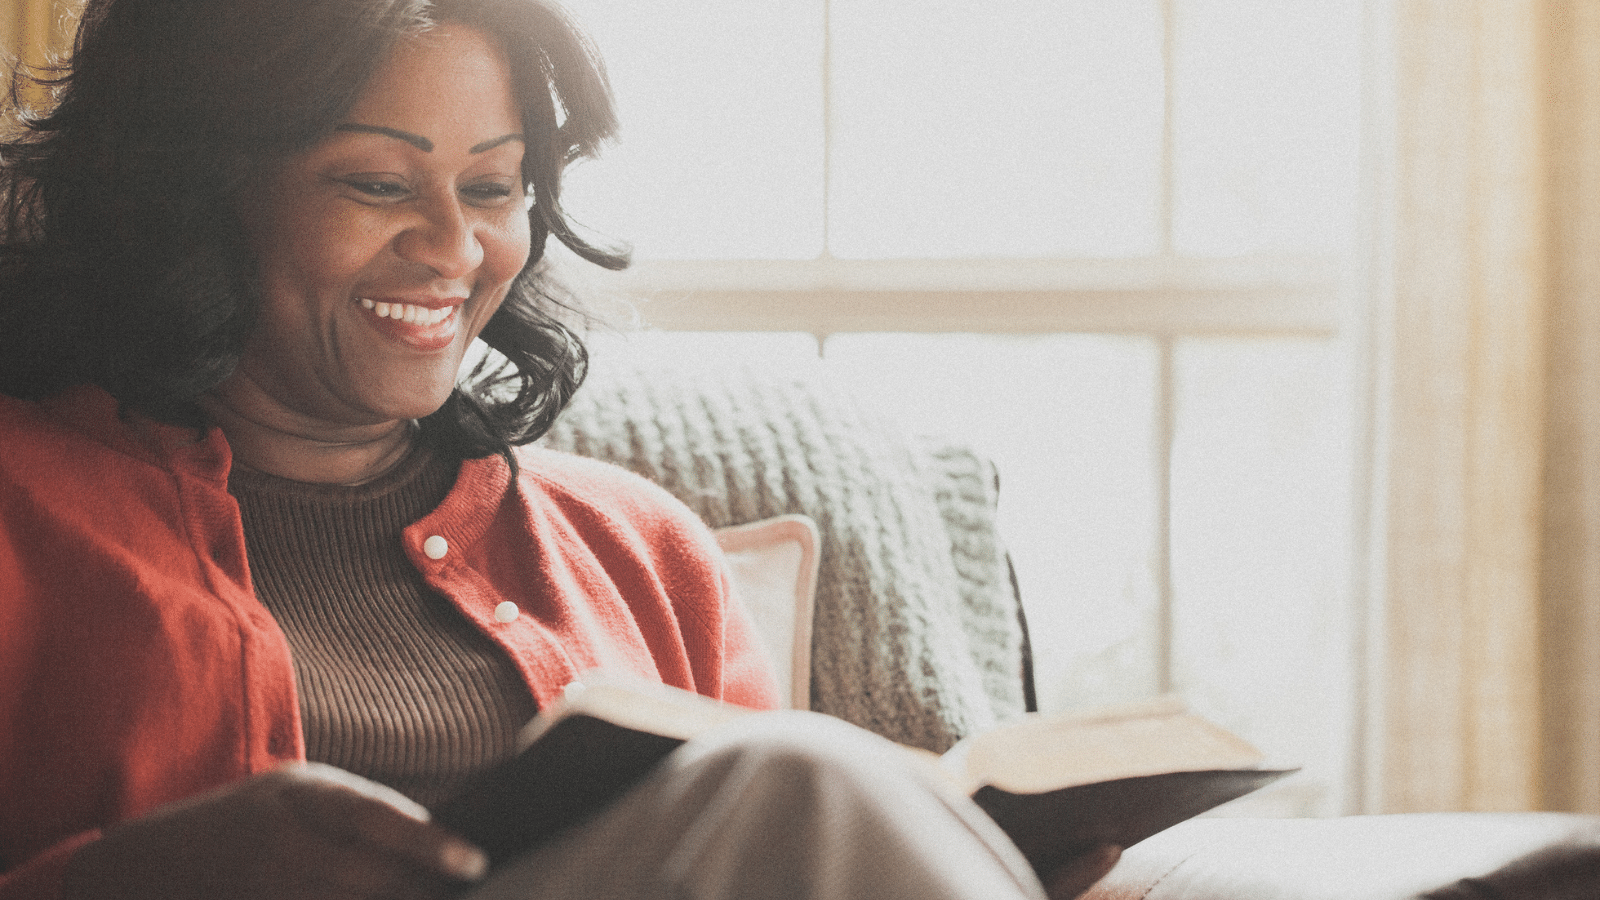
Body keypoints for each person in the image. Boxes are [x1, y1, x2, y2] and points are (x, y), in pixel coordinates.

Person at [0, 1, 1120, 899]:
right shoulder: (23, 508)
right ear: (196, 197)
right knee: (808, 783)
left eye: (492, 187)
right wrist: (124, 877)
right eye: (379, 184)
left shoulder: (643, 551)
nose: (453, 245)